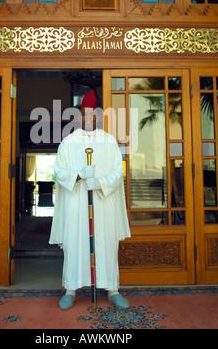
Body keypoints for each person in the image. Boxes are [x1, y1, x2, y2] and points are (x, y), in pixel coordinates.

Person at [49, 89, 131, 310]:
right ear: (79, 116)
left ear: (97, 115)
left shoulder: (110, 141)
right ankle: (71, 289)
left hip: (104, 205)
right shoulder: (68, 142)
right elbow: (58, 170)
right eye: (83, 114)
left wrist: (101, 182)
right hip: (76, 205)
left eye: (91, 114)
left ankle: (112, 290)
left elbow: (118, 170)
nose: (87, 117)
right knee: (75, 244)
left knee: (105, 245)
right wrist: (78, 175)